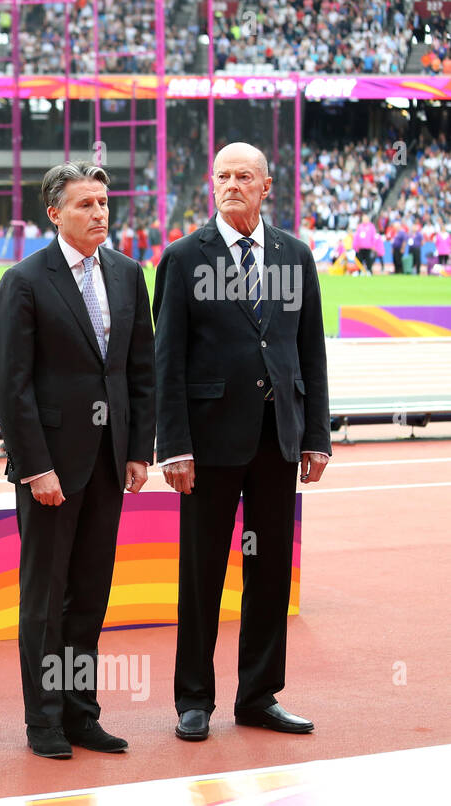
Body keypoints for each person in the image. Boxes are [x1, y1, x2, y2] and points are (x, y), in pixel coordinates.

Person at [153, 142, 331, 743]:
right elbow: (166, 360)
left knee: (270, 572)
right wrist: (172, 445)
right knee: (201, 574)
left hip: (277, 439)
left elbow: (310, 351)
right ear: (212, 184)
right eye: (223, 176)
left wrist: (317, 437)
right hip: (207, 445)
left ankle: (259, 695)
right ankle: (193, 699)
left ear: (266, 186)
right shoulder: (182, 258)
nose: (232, 184)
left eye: (244, 176)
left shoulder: (295, 256)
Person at [0, 162, 156, 759]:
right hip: (50, 470)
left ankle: (83, 713)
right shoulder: (25, 281)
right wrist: (35, 466)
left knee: (89, 596)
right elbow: (12, 384)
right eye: (86, 205)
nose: (100, 214)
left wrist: (139, 451)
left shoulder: (129, 274)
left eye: (105, 203)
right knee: (45, 600)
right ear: (54, 213)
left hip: (109, 465)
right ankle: (45, 721)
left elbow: (140, 370)